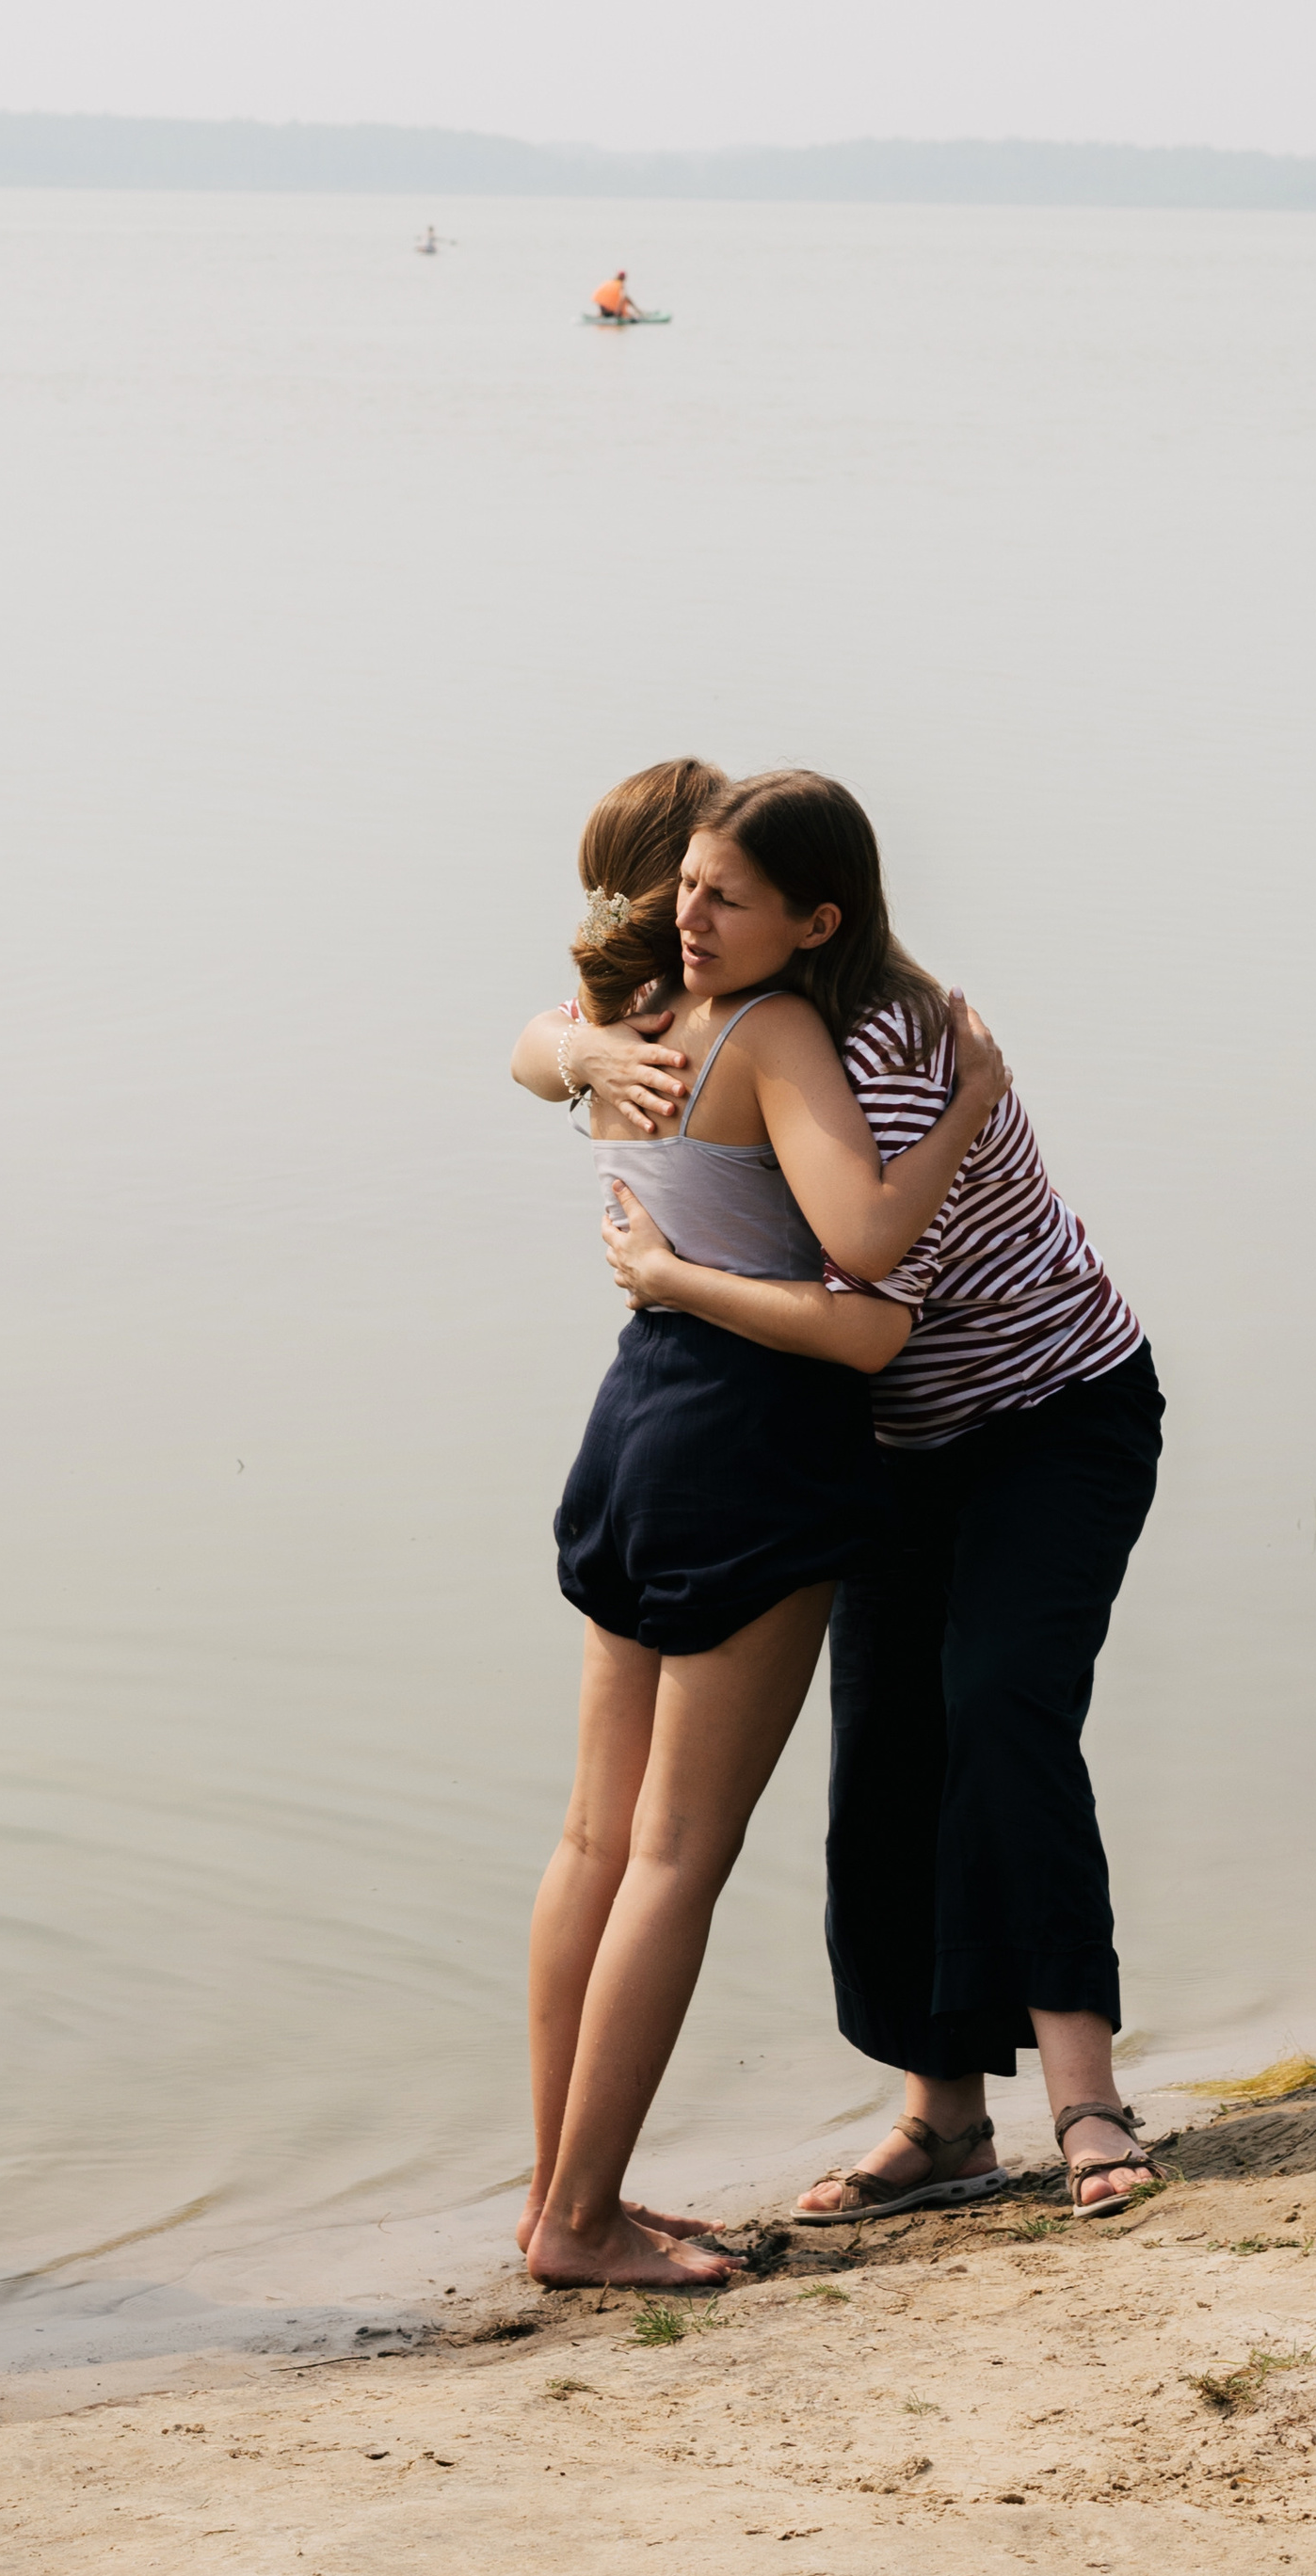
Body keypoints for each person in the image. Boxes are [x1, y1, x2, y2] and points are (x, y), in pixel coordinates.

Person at [513, 768, 1168, 2222]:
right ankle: (944, 2117)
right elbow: (541, 1043)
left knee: (1001, 1708)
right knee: (881, 1763)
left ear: (811, 919)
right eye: (687, 886)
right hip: (869, 1439)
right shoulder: (694, 1016)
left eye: (725, 894)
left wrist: (670, 1263)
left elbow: (867, 1291)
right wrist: (578, 1047)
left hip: (1044, 1413)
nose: (694, 916)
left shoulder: (881, 1044)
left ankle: (1085, 2096)